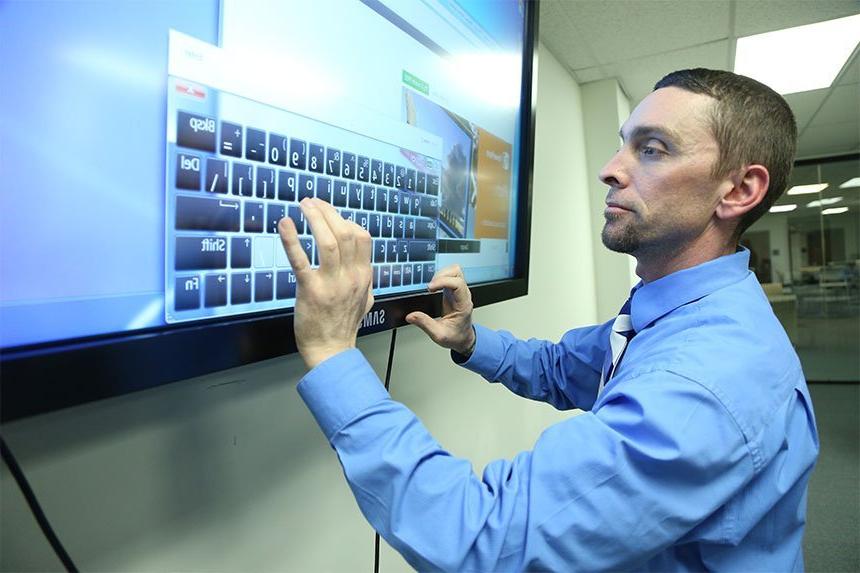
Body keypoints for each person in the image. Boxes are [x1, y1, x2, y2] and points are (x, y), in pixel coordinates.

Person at [277, 68, 819, 571]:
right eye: (622, 142)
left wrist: (332, 353)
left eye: (651, 150)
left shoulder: (704, 382)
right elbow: (568, 367)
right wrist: (469, 340)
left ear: (739, 190)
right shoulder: (679, 310)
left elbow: (481, 537)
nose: (611, 169)